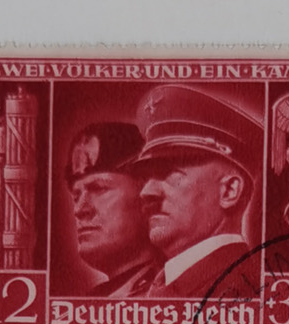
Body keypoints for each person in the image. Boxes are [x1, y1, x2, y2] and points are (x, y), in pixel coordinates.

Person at [133, 81, 265, 299]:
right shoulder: (166, 285)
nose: (146, 192)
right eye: (146, 178)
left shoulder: (244, 291)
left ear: (229, 191)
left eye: (170, 174)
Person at [63, 120, 156, 296]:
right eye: (76, 197)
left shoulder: (175, 292)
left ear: (147, 194)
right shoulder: (99, 297)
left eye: (99, 188)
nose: (79, 210)